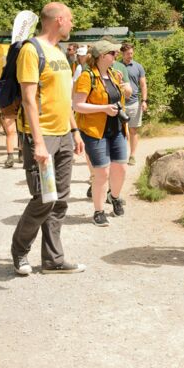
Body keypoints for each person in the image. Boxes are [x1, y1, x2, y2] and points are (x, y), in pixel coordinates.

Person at [10, 3, 86, 276]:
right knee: (44, 198)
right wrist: (39, 143)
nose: (72, 24)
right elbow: (29, 99)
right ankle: (19, 251)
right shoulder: (32, 50)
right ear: (60, 20)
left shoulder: (60, 53)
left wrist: (75, 130)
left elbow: (64, 99)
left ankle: (53, 260)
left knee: (60, 200)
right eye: (71, 20)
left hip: (64, 135)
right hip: (40, 136)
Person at [73, 39, 129, 227]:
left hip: (117, 129)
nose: (116, 56)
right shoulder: (87, 77)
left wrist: (121, 87)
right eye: (113, 53)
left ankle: (114, 197)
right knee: (102, 173)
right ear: (103, 56)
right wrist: (103, 108)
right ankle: (98, 211)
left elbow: (124, 96)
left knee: (120, 168)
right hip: (95, 131)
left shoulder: (114, 75)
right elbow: (77, 105)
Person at [120, 42, 148, 165]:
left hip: (134, 103)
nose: (130, 55)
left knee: (133, 130)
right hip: (119, 104)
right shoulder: (116, 66)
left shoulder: (138, 67)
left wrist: (144, 100)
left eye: (131, 53)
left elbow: (143, 84)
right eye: (127, 53)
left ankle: (132, 155)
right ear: (122, 53)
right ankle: (120, 156)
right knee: (118, 131)